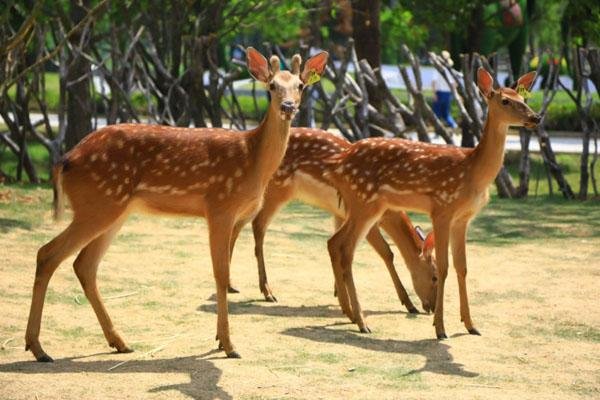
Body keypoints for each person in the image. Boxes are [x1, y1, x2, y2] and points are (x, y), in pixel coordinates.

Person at [432, 50, 458, 129]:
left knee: (436, 113)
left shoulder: (437, 70)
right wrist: (454, 93)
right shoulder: (450, 70)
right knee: (446, 113)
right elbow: (454, 84)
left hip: (439, 93)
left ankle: (437, 130)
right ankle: (454, 126)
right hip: (448, 94)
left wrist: (434, 93)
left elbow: (434, 82)